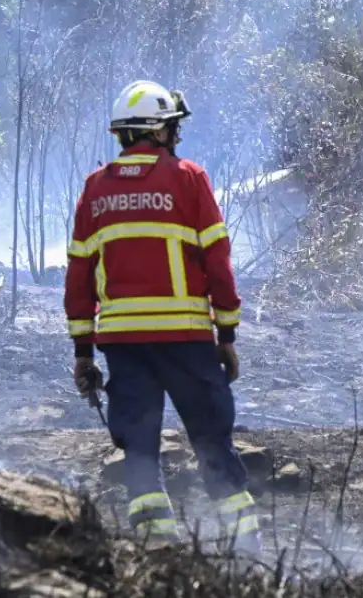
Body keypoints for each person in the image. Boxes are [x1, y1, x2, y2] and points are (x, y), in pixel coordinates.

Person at [63, 79, 259, 551]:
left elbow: (78, 278)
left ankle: (158, 552)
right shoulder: (188, 179)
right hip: (186, 338)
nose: (176, 136)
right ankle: (246, 552)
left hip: (123, 346)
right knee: (212, 439)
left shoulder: (94, 189)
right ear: (155, 129)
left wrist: (83, 353)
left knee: (139, 449)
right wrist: (227, 333)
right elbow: (218, 262)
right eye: (172, 127)